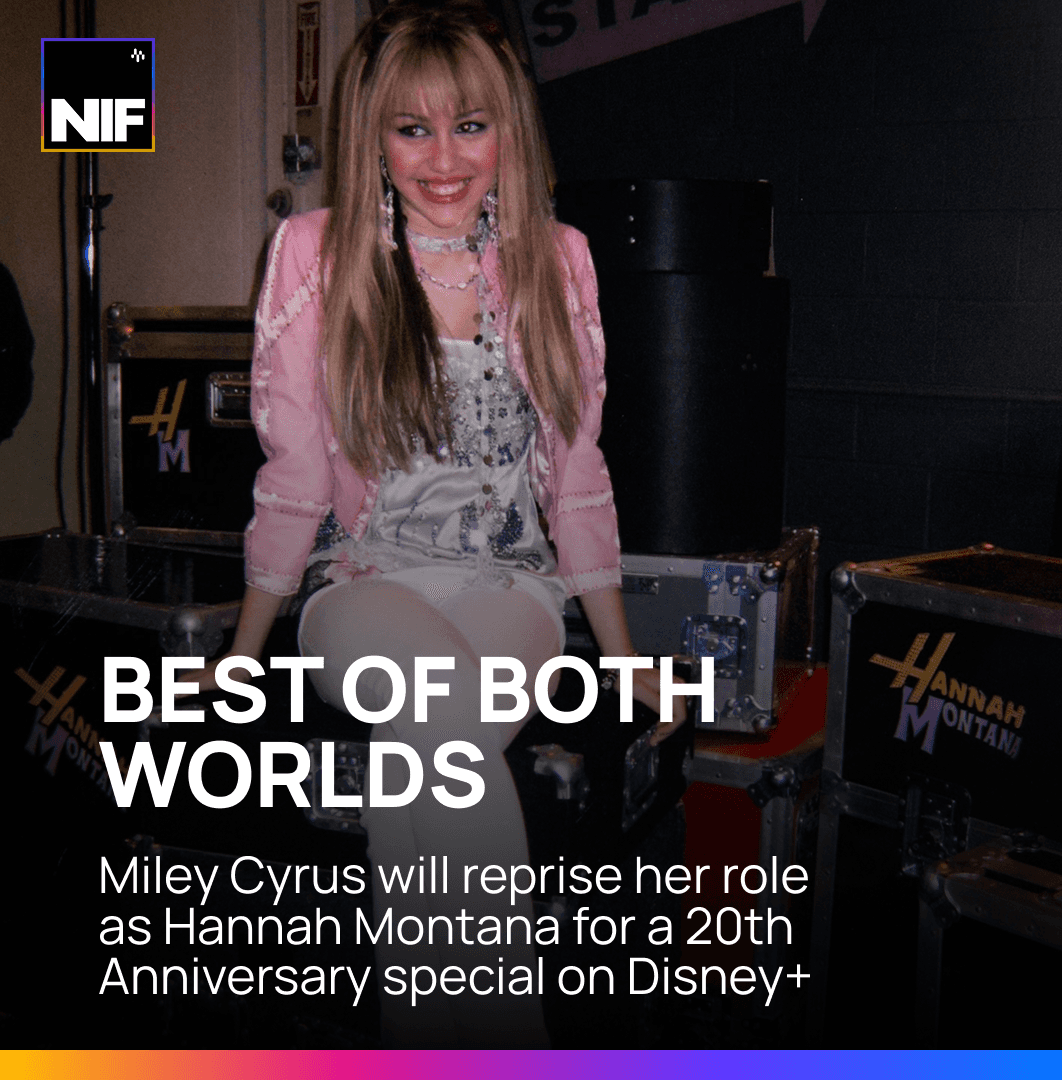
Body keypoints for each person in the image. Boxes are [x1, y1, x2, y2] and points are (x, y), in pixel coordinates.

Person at [191, 0, 681, 1047]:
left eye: (470, 124)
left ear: (509, 131)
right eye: (412, 129)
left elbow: (576, 476)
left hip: (514, 591)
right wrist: (243, 650)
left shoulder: (558, 257)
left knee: (426, 763)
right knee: (447, 732)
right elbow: (294, 474)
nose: (445, 159)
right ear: (373, 136)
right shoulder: (316, 254)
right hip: (365, 582)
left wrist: (624, 653)